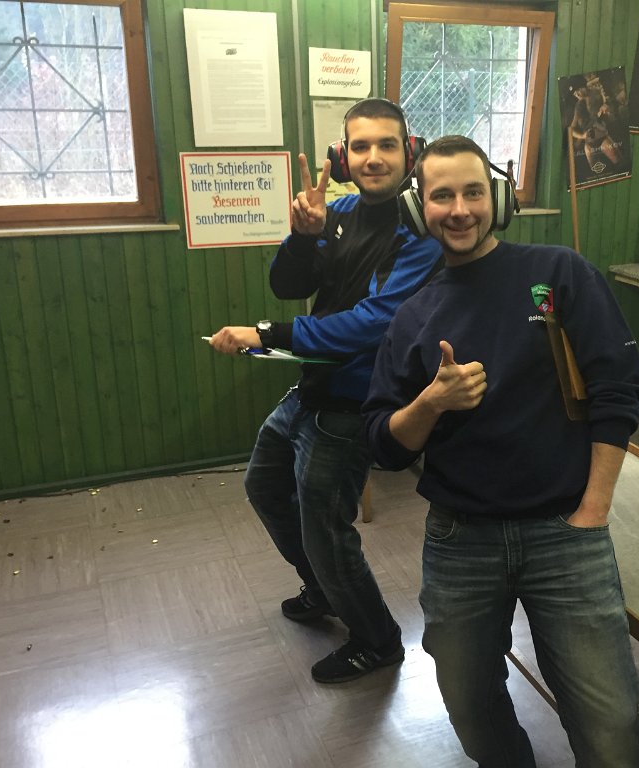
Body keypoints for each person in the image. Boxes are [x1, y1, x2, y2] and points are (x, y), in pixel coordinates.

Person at [362, 136, 639, 767]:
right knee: (471, 708)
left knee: (609, 723)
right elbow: (384, 444)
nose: (459, 210)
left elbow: (619, 388)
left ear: (496, 198)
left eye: (473, 192)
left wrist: (594, 510)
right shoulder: (413, 316)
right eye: (442, 196)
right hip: (460, 541)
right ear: (418, 209)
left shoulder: (557, 274)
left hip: (565, 531)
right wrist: (431, 403)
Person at [208, 98, 443, 684]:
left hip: (357, 401)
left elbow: (374, 322)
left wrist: (266, 334)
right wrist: (301, 236)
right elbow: (289, 284)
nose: (373, 157)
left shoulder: (421, 233)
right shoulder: (335, 212)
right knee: (264, 485)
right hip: (312, 385)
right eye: (360, 146)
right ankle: (322, 587)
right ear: (343, 156)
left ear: (409, 152)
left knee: (325, 531)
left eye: (386, 145)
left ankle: (378, 641)